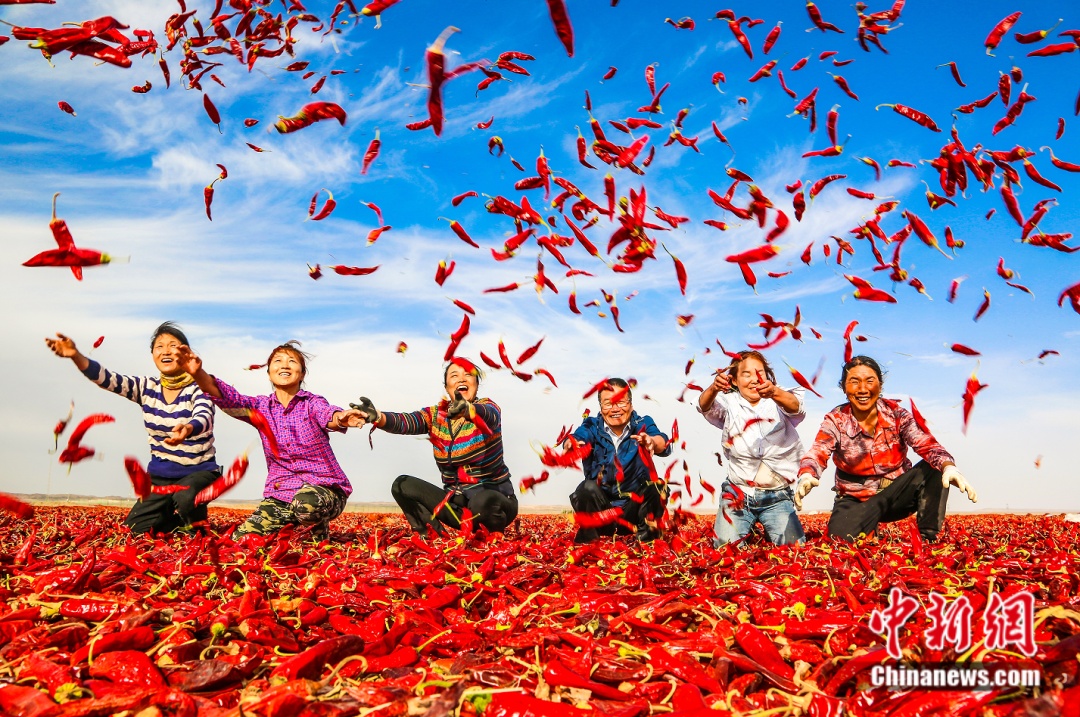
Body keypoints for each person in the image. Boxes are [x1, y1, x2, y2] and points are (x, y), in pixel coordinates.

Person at [45, 322, 220, 534]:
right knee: (136, 529)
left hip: (199, 472)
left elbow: (204, 416)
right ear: (153, 354)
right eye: (159, 346)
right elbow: (107, 379)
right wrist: (76, 356)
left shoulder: (199, 386)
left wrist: (188, 428)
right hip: (160, 477)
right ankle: (174, 520)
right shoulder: (146, 388)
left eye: (173, 345)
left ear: (186, 352)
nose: (165, 350)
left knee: (185, 496)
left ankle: (197, 527)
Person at [178, 341, 361, 539]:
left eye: (292, 361)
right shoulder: (260, 407)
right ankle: (295, 523)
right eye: (278, 361)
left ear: (302, 373)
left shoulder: (312, 403)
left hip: (326, 490)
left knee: (306, 503)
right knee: (241, 540)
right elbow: (227, 397)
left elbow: (329, 415)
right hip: (282, 493)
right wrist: (198, 373)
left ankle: (318, 535)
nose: (284, 365)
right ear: (269, 373)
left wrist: (341, 418)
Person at [795, 355, 978, 542]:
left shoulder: (896, 414)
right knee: (839, 540)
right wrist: (808, 474)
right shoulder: (836, 419)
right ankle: (868, 527)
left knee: (935, 467)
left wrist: (949, 466)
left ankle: (927, 537)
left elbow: (925, 443)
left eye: (870, 381)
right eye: (854, 382)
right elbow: (819, 450)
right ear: (844, 387)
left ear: (880, 386)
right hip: (856, 498)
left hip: (895, 494)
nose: (863, 389)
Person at [353, 357, 518, 536]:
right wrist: (378, 416)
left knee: (483, 500)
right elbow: (407, 421)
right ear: (447, 387)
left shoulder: (487, 407)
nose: (461, 379)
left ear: (476, 384)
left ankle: (493, 535)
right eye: (454, 375)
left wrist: (469, 410)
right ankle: (432, 535)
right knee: (402, 485)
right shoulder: (436, 415)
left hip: (496, 504)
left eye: (468, 375)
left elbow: (490, 415)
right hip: (458, 506)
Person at [698, 350, 806, 547]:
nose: (754, 379)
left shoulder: (778, 398)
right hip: (738, 494)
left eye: (760, 372)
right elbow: (704, 405)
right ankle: (747, 523)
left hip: (777, 495)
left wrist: (774, 392)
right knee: (725, 550)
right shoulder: (729, 402)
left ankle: (765, 523)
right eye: (746, 374)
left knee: (795, 551)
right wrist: (714, 388)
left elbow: (796, 406)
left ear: (767, 375)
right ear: (734, 381)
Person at [567, 378, 671, 543]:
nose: (615, 409)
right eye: (608, 403)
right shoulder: (591, 426)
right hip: (601, 512)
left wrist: (652, 442)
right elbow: (577, 437)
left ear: (631, 404)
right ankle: (589, 545)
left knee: (657, 487)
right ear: (601, 408)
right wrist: (571, 444)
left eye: (621, 402)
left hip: (634, 513)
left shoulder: (642, 423)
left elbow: (662, 441)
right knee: (586, 488)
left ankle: (648, 543)